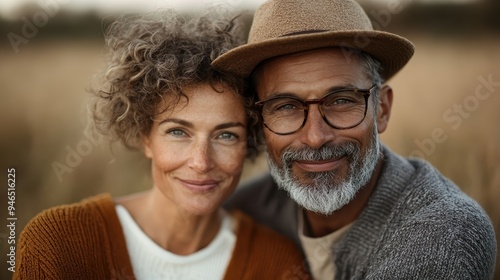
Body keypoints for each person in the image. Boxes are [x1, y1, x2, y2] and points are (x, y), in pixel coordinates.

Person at [13, 11, 308, 280]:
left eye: (226, 135)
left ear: (250, 143)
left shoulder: (276, 264)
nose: (201, 162)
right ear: (146, 137)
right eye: (178, 132)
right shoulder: (58, 243)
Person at [214, 0, 497, 279]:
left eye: (341, 100)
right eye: (286, 106)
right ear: (258, 120)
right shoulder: (243, 212)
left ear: (382, 109)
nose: (315, 138)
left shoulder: (445, 232)